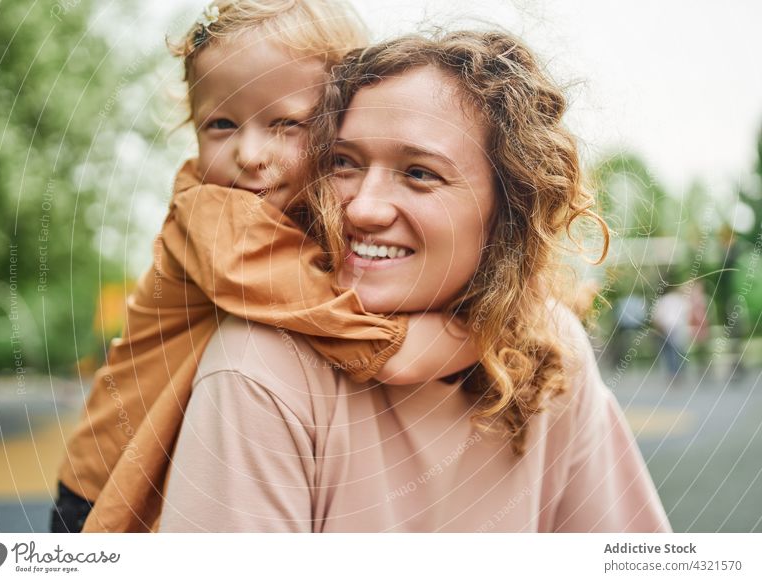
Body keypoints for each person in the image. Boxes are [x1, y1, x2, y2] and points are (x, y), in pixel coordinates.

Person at [159, 30, 672, 532]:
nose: (363, 207)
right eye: (344, 163)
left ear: (507, 209)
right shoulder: (261, 368)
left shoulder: (551, 347)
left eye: (420, 172)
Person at [54, 0, 477, 534]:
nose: (250, 153)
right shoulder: (213, 216)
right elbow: (329, 313)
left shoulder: (319, 209)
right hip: (110, 482)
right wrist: (470, 332)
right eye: (221, 123)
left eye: (285, 124)